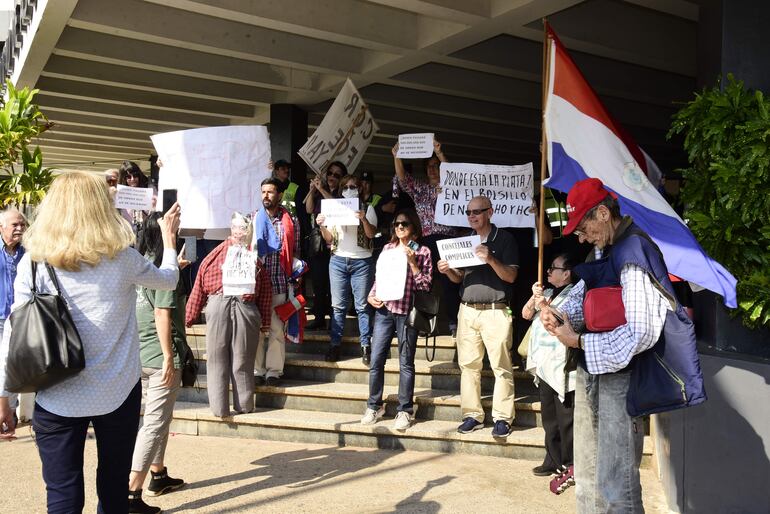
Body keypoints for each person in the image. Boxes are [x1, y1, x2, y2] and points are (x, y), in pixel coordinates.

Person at [0, 171, 181, 514]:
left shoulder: (34, 263)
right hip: (117, 392)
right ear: (99, 207)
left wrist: (4, 398)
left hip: (56, 392)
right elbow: (168, 281)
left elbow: (14, 331)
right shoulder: (123, 259)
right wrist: (169, 242)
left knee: (63, 495)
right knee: (113, 491)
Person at [540, 177, 687, 512]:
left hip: (620, 376)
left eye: (583, 226)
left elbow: (641, 331)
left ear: (603, 214)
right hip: (594, 368)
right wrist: (561, 314)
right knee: (589, 473)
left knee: (615, 480)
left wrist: (577, 339)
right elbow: (591, 293)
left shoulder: (633, 250)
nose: (580, 236)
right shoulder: (608, 249)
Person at [437, 195, 518, 438]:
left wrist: (490, 258)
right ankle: (472, 415)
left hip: (496, 309)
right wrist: (448, 270)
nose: (472, 216)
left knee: (501, 367)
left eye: (477, 211)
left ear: (490, 212)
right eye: (468, 212)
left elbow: (511, 277)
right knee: (468, 366)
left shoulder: (504, 239)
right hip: (468, 309)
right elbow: (459, 278)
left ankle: (503, 418)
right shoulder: (465, 240)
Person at [128, 213, 189, 514]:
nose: (178, 229)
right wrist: (169, 356)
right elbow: (162, 314)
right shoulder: (162, 265)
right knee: (153, 424)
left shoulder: (142, 261)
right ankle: (131, 493)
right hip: (159, 355)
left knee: (158, 418)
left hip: (140, 354)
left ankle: (159, 475)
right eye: (174, 225)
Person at [186, 212, 271, 417]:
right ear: (231, 229)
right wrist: (190, 314)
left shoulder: (246, 258)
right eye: (237, 228)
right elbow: (199, 286)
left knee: (231, 359)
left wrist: (189, 315)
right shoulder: (219, 256)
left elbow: (265, 290)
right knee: (231, 359)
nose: (240, 232)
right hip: (225, 304)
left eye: (243, 228)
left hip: (239, 306)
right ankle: (233, 406)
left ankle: (229, 406)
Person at [363, 209, 432, 430]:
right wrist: (371, 294)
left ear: (414, 227)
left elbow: (425, 286)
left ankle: (405, 410)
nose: (400, 227)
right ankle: (374, 405)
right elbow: (380, 276)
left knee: (406, 362)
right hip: (385, 310)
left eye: (404, 224)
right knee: (376, 359)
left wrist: (413, 264)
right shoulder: (387, 248)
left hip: (406, 311)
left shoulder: (422, 251)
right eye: (396, 224)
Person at [392, 139, 461, 337]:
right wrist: (396, 156)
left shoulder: (452, 186)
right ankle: (423, 324)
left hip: (449, 241)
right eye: (429, 166)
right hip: (426, 240)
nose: (432, 169)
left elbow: (454, 173)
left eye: (436, 166)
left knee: (450, 282)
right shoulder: (420, 188)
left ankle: (454, 324)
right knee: (424, 283)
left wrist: (440, 153)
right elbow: (403, 179)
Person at [522, 253, 578, 488]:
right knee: (549, 417)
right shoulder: (545, 293)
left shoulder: (574, 292)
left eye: (553, 268)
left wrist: (544, 305)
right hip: (544, 362)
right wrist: (534, 298)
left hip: (561, 363)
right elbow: (526, 314)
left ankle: (570, 463)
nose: (548, 272)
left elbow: (560, 319)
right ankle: (552, 458)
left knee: (565, 417)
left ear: (566, 273)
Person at [315, 174, 377, 364]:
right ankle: (335, 345)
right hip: (339, 260)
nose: (350, 190)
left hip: (362, 261)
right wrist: (321, 225)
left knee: (362, 307)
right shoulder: (334, 209)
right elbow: (329, 239)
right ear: (341, 190)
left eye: (353, 186)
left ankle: (366, 346)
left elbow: (371, 234)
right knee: (338, 307)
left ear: (359, 189)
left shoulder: (367, 208)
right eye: (346, 187)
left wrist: (364, 219)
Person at [252, 177, 301, 385]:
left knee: (276, 329)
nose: (266, 195)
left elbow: (296, 250)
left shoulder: (291, 220)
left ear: (279, 195)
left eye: (270, 192)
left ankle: (273, 371)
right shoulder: (253, 218)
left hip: (280, 282)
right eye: (263, 192)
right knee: (255, 328)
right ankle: (256, 370)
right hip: (257, 284)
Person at [303, 161, 345, 330]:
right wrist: (313, 190)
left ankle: (334, 320)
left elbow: (336, 206)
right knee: (319, 282)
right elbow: (308, 209)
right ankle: (319, 317)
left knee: (334, 284)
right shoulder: (320, 193)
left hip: (336, 243)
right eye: (330, 173)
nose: (332, 177)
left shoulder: (343, 195)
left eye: (337, 175)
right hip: (319, 242)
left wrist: (321, 189)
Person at [0, 209, 26, 419]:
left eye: (22, 225)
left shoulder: (28, 253)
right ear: (1, 228)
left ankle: (10, 409)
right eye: (14, 225)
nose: (19, 229)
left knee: (13, 365)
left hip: (20, 318)